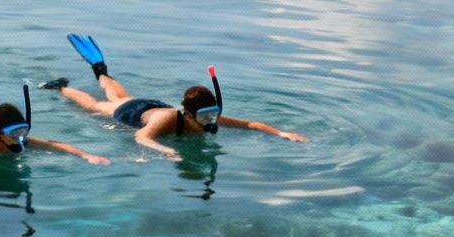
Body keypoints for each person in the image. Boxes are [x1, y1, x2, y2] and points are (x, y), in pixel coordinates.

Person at [43, 33, 307, 159]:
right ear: (190, 113)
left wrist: (282, 133)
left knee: (121, 94)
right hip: (137, 114)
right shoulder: (169, 122)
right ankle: (62, 87)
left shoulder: (208, 116)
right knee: (97, 106)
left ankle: (100, 70)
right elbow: (141, 136)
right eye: (205, 115)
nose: (211, 119)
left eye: (212, 113)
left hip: (153, 105)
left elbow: (251, 124)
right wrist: (165, 149)